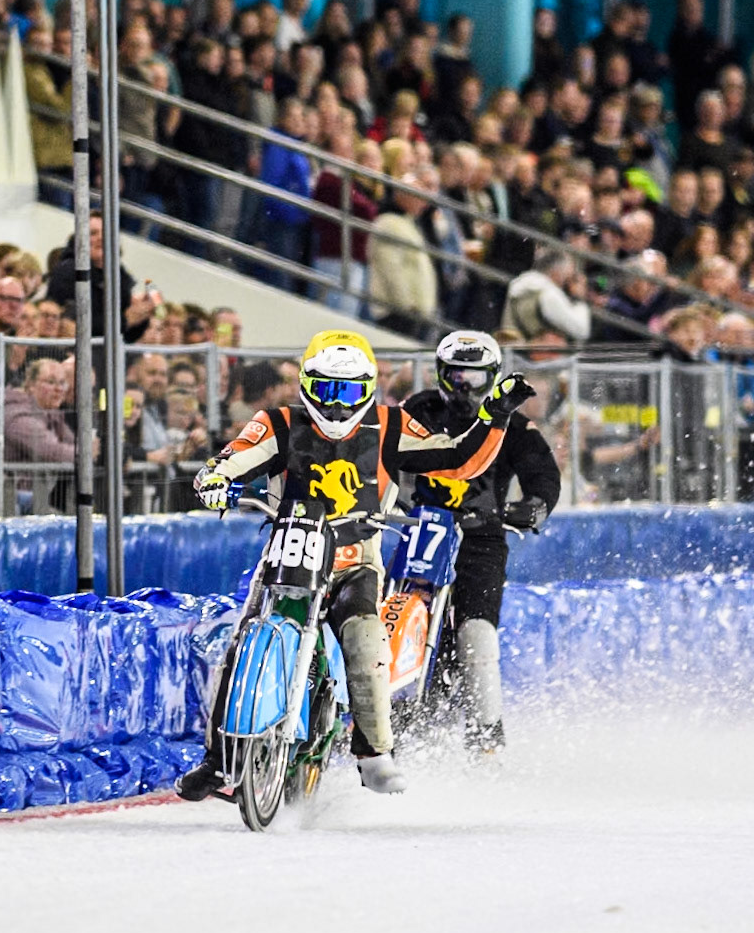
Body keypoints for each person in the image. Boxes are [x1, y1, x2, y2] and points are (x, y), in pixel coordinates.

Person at [177, 329, 534, 801]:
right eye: (326, 389)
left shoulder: (391, 424)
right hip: (287, 549)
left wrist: (495, 415)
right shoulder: (277, 422)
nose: (337, 404)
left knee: (366, 638)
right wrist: (215, 481)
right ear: (305, 384)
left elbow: (458, 460)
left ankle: (374, 752)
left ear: (367, 390)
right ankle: (216, 758)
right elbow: (228, 461)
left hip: (355, 557)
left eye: (347, 392)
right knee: (240, 640)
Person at [400, 331, 560, 751]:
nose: (464, 386)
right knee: (395, 612)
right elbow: (381, 451)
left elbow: (543, 474)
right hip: (423, 528)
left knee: (476, 631)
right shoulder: (418, 410)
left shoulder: (514, 423)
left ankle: (486, 736)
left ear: (493, 376)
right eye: (456, 375)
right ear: (440, 374)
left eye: (474, 376)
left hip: (482, 536)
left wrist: (536, 506)